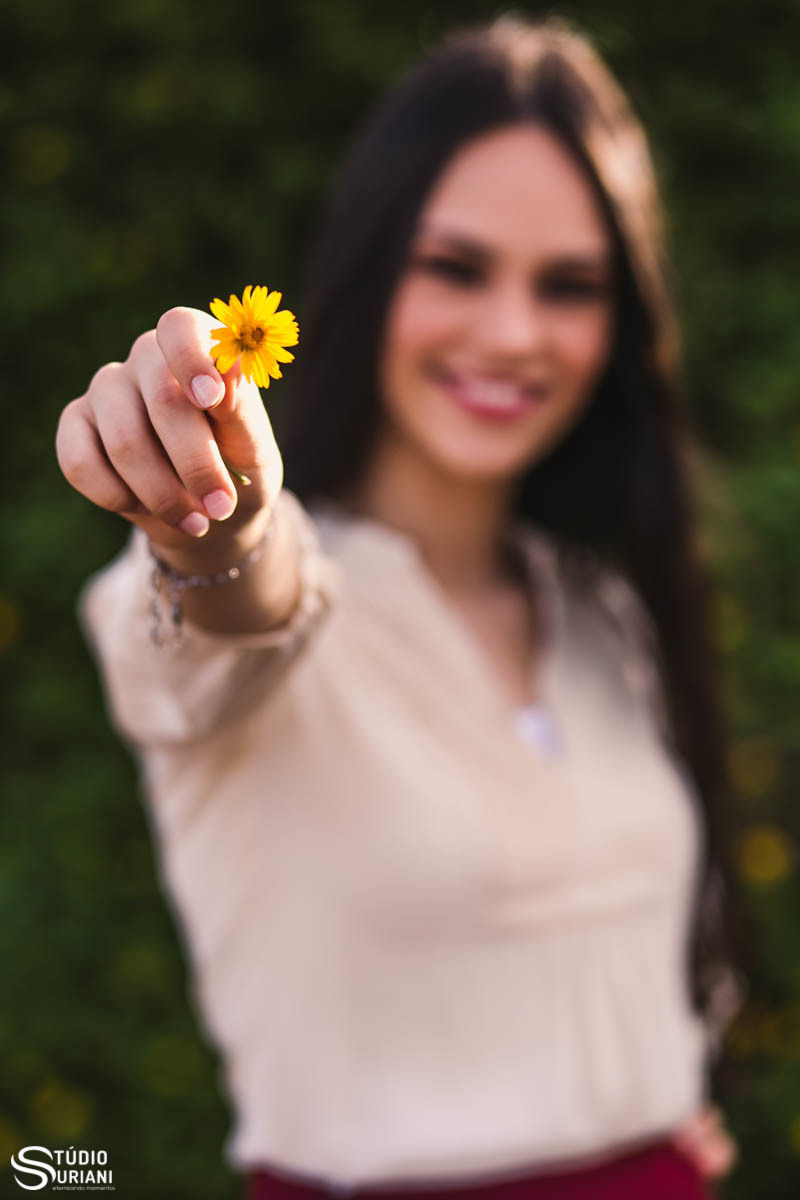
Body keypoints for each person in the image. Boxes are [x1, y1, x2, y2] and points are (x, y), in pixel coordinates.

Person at [56, 14, 742, 1199]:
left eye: (569, 286)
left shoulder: (602, 609)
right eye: (456, 268)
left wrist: (659, 1098)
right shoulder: (252, 599)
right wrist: (215, 521)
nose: (511, 334)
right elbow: (238, 606)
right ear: (371, 272)